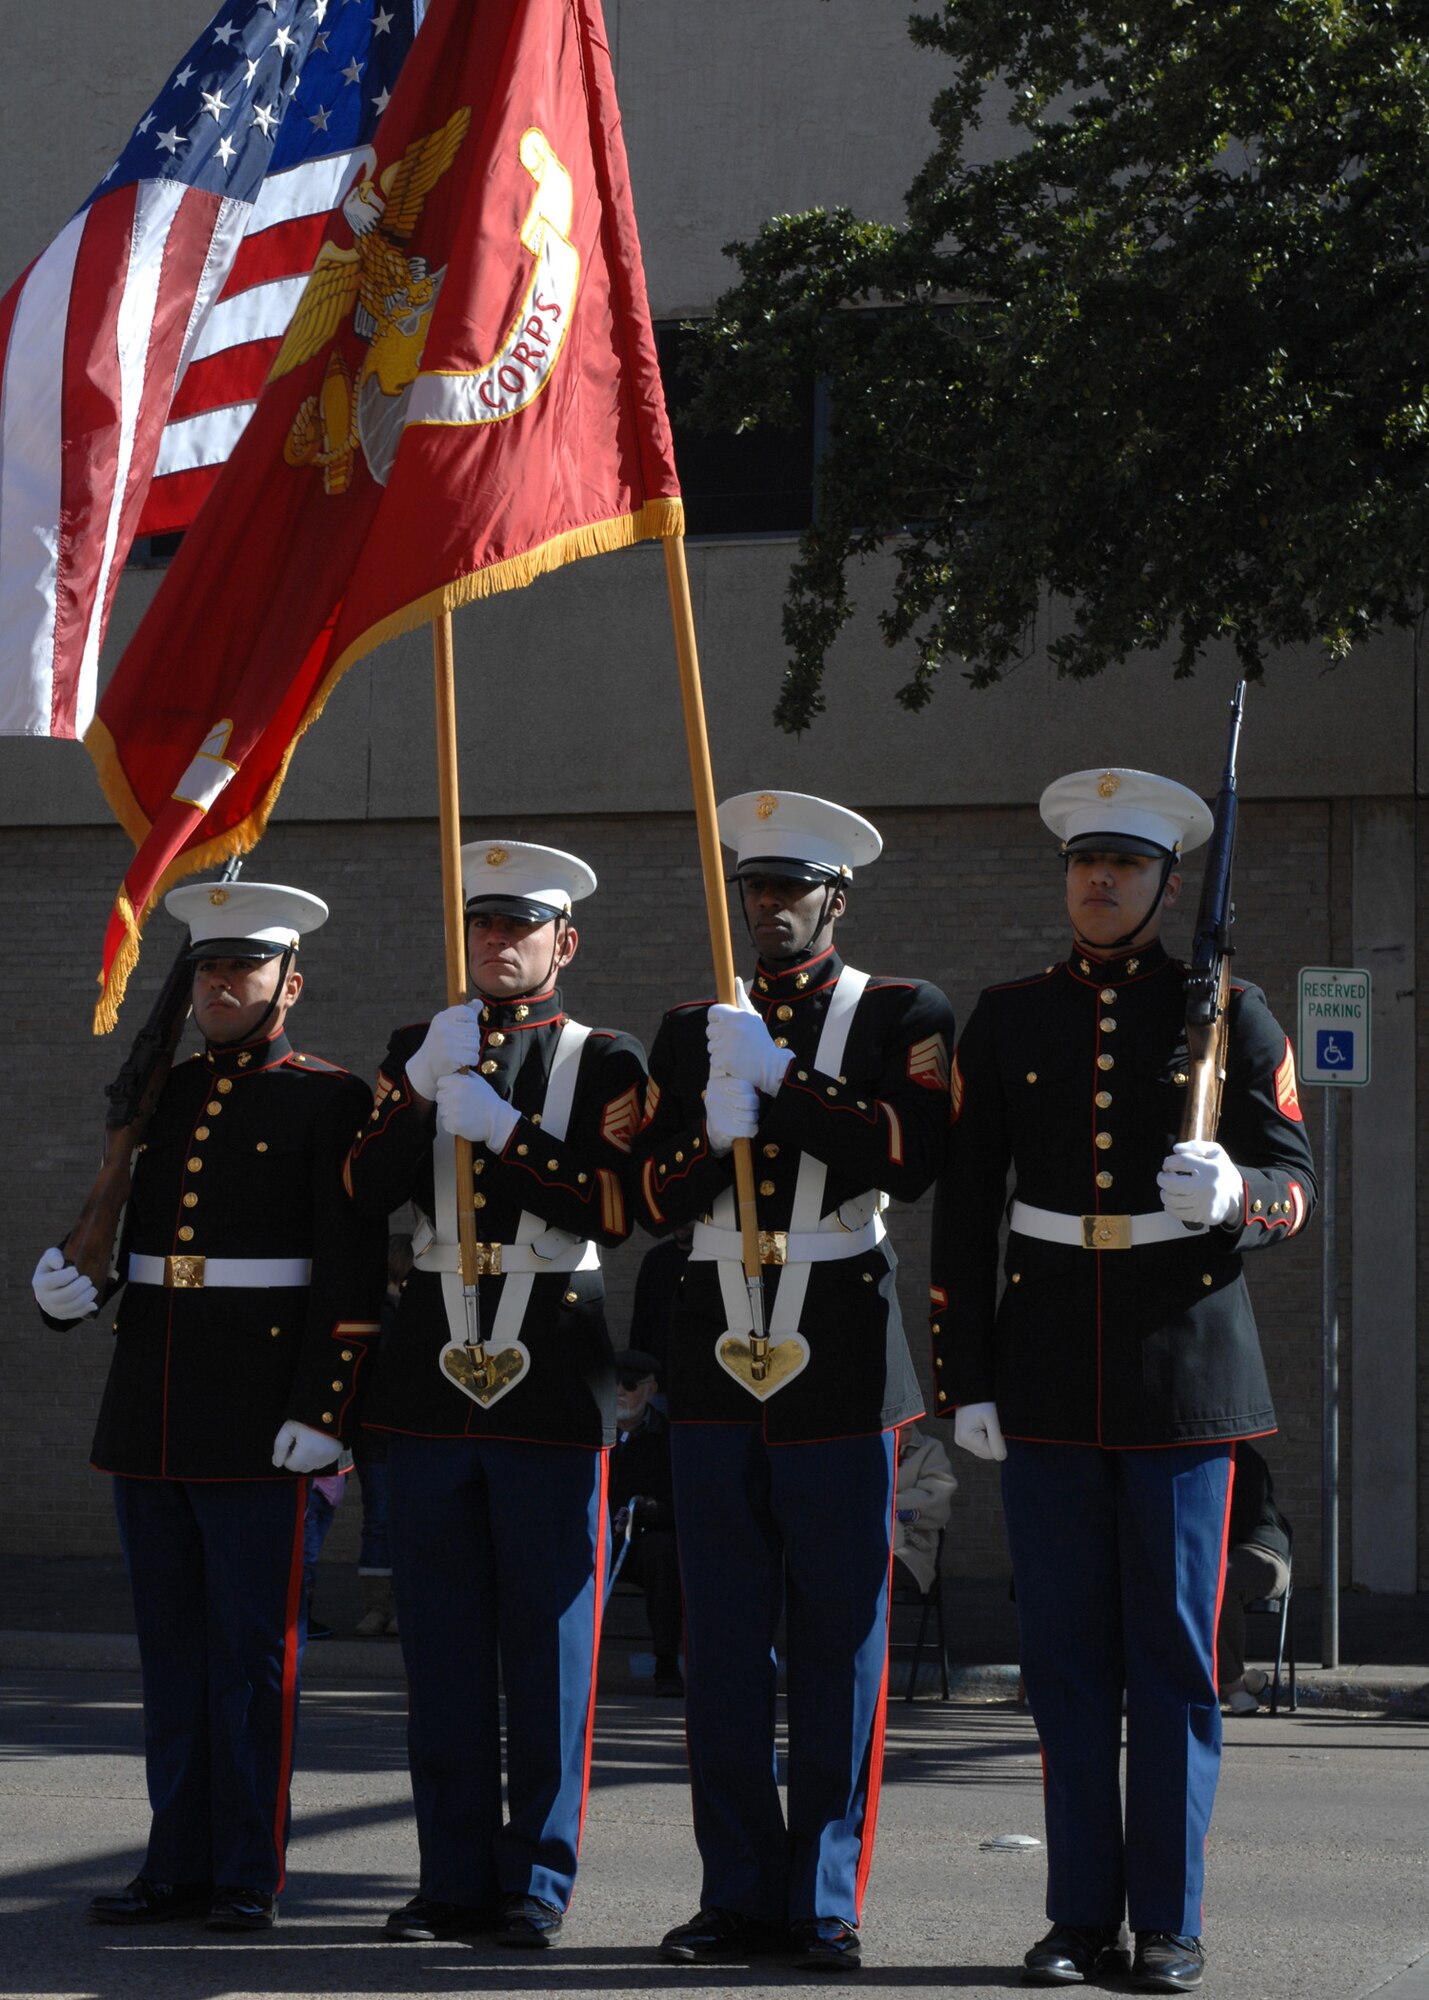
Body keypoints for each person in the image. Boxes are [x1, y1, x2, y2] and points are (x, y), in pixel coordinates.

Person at [931, 767, 1317, 1994]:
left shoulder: (1236, 1014)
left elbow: (1296, 1178)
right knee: (1063, 1662)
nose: (1098, 882)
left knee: (1169, 1659)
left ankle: (1169, 1921)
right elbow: (965, 1209)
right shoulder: (1008, 1015)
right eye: (1083, 864)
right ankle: (1075, 1917)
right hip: (1043, 1361)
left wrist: (1239, 1199)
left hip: (1178, 1369)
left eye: (1126, 866)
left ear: (1163, 884)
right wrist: (967, 1376)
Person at [636, 789, 956, 1971]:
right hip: (714, 1339)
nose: (769, 907)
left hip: (838, 1342)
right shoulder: (689, 1026)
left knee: (839, 1635)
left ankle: (823, 1894)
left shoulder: (901, 1010)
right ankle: (735, 1891)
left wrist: (783, 1082)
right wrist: (704, 1139)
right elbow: (649, 1204)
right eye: (754, 889)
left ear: (835, 897)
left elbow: (911, 1160)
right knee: (719, 1640)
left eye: (790, 889)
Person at [31, 880, 384, 1933]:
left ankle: (246, 1868)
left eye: (244, 967)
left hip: (262, 1417)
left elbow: (352, 1269)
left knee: (254, 1657)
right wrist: (70, 1283)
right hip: (153, 1405)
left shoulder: (329, 1096)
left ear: (290, 982)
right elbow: (120, 1225)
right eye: (208, 969)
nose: (223, 984)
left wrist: (328, 1408)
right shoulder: (164, 1091)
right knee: (174, 1655)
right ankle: (173, 1859)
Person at [343, 839, 646, 1950]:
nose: (500, 943)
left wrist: (509, 1136)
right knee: (444, 1645)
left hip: (553, 1360)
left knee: (551, 1643)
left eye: (522, 927)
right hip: (431, 1367)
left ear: (564, 942)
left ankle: (538, 1879)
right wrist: (420, 1092)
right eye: (483, 926)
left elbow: (616, 1208)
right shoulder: (414, 1049)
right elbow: (355, 1191)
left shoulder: (607, 1060)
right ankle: (452, 1877)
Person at [606, 1346, 682, 1695]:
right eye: (613, 1383)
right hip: (596, 1537)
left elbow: (681, 1500)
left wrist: (655, 1509)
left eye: (630, 1383)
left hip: (641, 1540)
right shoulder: (593, 1433)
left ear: (650, 1389)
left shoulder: (668, 1439)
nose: (620, 1391)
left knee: (664, 1554)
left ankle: (666, 1665)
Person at [350, 1233, 412, 1638]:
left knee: (380, 1520)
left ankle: (381, 1608)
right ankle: (389, 1608)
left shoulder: (370, 1312)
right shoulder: (396, 1316)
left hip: (375, 1433)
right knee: (397, 1520)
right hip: (396, 1433)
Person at [1217, 1442, 1291, 1714]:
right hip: (1219, 1552)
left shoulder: (1243, 1458)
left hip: (1260, 1550)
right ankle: (1239, 1674)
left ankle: (1234, 1687)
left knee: (1218, 1586)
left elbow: (1243, 1518)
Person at [891, 1423, 957, 1599]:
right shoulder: (869, 1449)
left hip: (911, 1554)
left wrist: (886, 1506)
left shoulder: (930, 1449)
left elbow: (935, 1504)